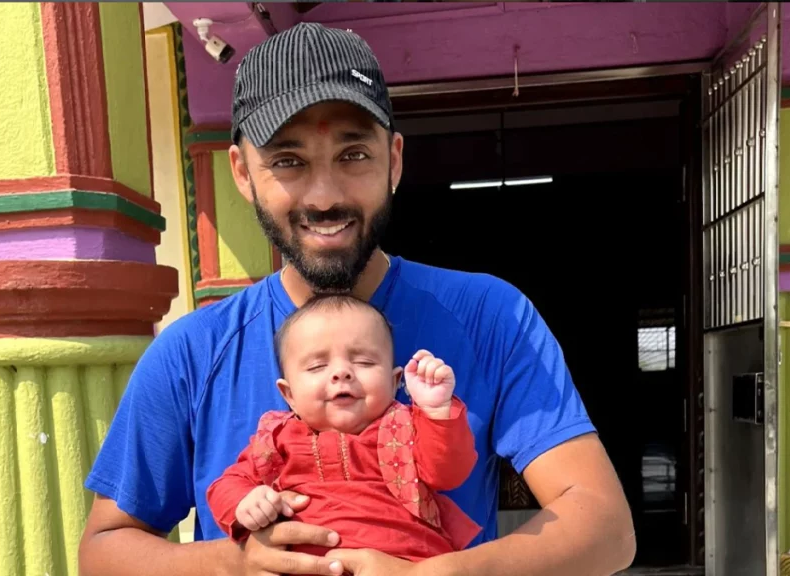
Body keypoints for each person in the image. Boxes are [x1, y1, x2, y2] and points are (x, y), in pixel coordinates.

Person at [79, 21, 636, 576]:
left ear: (393, 159)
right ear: (242, 173)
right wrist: (235, 563)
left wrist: (436, 575)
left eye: (353, 155)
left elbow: (604, 528)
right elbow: (103, 552)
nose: (325, 196)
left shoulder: (491, 316)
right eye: (288, 160)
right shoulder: (193, 354)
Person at [206, 294, 482, 561]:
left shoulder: (409, 427)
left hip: (406, 562)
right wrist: (247, 501)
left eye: (363, 361)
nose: (342, 372)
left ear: (394, 381)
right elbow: (226, 485)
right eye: (317, 366)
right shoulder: (275, 440)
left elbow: (448, 473)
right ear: (289, 395)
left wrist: (435, 412)